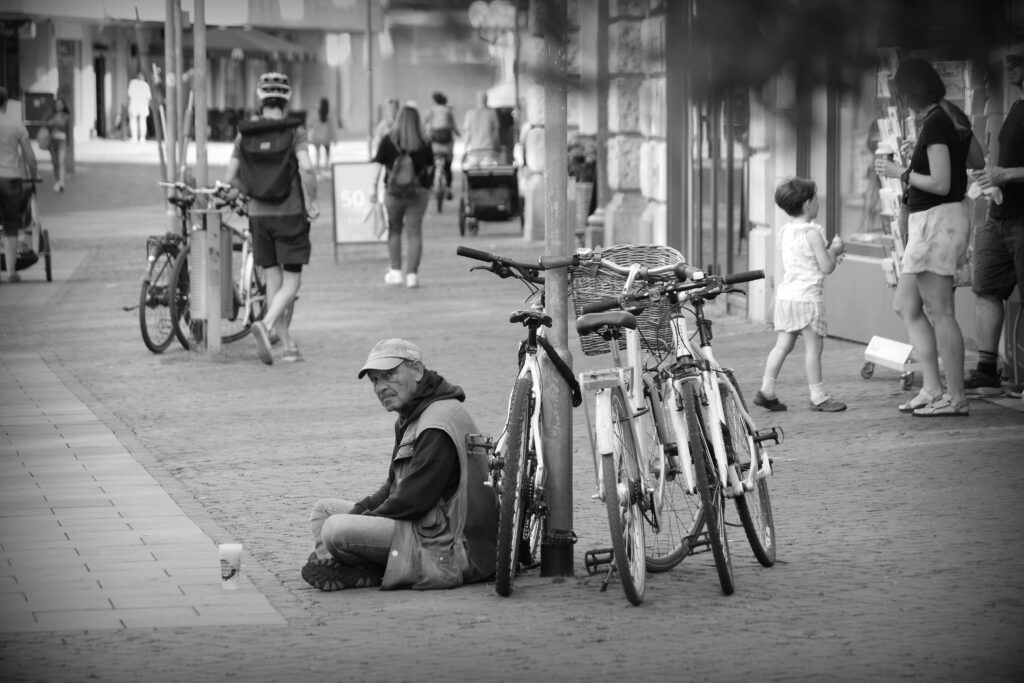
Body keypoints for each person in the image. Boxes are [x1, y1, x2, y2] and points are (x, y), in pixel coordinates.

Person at [301, 338, 498, 591]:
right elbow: (393, 487)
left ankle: (353, 566)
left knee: (335, 529)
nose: (381, 387)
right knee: (324, 511)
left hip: (447, 546)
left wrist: (359, 525)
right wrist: (359, 514)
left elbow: (411, 500)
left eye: (390, 375)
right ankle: (345, 568)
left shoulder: (437, 423)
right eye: (375, 380)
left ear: (416, 371)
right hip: (423, 524)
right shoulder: (413, 415)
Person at [875, 57, 972, 416]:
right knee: (907, 305)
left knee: (941, 311)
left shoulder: (935, 122)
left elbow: (941, 183)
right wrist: (917, 162)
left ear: (910, 92)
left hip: (935, 222)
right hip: (936, 222)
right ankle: (933, 388)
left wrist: (901, 171)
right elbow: (974, 158)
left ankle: (956, 397)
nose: (898, 99)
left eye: (900, 92)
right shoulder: (950, 116)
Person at [224, 72, 318, 365]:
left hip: (258, 217)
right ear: (287, 100)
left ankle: (287, 346)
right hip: (290, 214)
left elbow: (229, 177)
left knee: (272, 281)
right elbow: (307, 168)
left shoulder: (245, 133)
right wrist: (312, 200)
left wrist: (251, 192)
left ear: (260, 99)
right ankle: (264, 326)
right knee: (292, 284)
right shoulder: (295, 132)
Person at [755, 177, 848, 413]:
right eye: (816, 198)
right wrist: (835, 250)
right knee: (814, 348)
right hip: (807, 298)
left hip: (787, 297)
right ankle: (818, 396)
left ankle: (767, 390)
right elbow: (826, 266)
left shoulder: (786, 231)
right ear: (807, 204)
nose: (818, 202)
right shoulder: (812, 233)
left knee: (782, 345)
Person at [965, 53, 1024, 396]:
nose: (1009, 66)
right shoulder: (1017, 105)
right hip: (1001, 213)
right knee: (986, 286)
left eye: (1017, 60)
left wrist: (1007, 174)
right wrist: (991, 179)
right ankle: (987, 368)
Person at [371, 104, 433, 289]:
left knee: (395, 229)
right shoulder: (424, 141)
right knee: (415, 232)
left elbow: (378, 166)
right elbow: (430, 167)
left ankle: (396, 272)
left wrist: (373, 188)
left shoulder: (388, 140)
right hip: (418, 191)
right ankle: (412, 275)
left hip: (393, 192)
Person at [0, 87, 38, 284]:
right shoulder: (16, 126)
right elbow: (30, 157)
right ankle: (11, 272)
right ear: (6, 103)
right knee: (11, 226)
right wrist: (34, 177)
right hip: (10, 180)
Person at [424, 91, 458, 198]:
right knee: (448, 166)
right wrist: (458, 134)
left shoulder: (430, 111)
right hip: (447, 143)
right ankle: (448, 188)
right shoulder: (448, 111)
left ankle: (429, 186)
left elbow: (425, 124)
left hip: (435, 143)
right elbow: (453, 127)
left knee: (432, 164)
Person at [461, 90, 500, 166]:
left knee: (473, 176)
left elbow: (467, 134)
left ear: (477, 100)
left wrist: (464, 150)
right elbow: (496, 134)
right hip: (489, 151)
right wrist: (497, 148)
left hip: (474, 151)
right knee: (488, 176)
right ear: (486, 99)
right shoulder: (492, 113)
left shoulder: (469, 113)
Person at [44, 97, 71, 193]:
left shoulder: (65, 116)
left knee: (60, 162)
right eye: (57, 103)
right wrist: (49, 123)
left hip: (62, 140)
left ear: (63, 105)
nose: (58, 105)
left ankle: (61, 182)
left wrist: (53, 122)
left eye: (60, 104)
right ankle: (57, 181)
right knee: (55, 162)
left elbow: (64, 126)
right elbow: (45, 124)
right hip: (52, 140)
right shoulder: (50, 114)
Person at [307, 97, 334, 174]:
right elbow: (332, 126)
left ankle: (318, 167)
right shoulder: (330, 113)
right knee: (327, 152)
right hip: (327, 136)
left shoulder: (315, 112)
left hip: (317, 136)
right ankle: (326, 166)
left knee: (317, 152)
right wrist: (334, 137)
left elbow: (309, 123)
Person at [126, 71, 152, 144]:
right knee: (140, 122)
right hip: (140, 105)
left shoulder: (134, 83)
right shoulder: (144, 85)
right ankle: (140, 138)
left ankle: (138, 138)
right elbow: (149, 97)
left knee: (137, 122)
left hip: (136, 105)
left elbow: (129, 94)